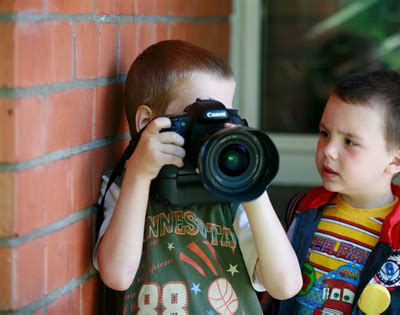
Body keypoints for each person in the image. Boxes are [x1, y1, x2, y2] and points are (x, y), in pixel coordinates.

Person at [93, 40, 302, 314]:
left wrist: (251, 186)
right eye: (198, 119)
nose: (212, 133)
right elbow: (117, 276)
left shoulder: (231, 198)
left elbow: (285, 286)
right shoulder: (124, 187)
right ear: (147, 123)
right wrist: (139, 175)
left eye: (222, 119)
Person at [279, 70, 400, 314]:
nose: (329, 150)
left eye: (350, 142)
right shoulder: (301, 211)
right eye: (325, 133)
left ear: (395, 161)